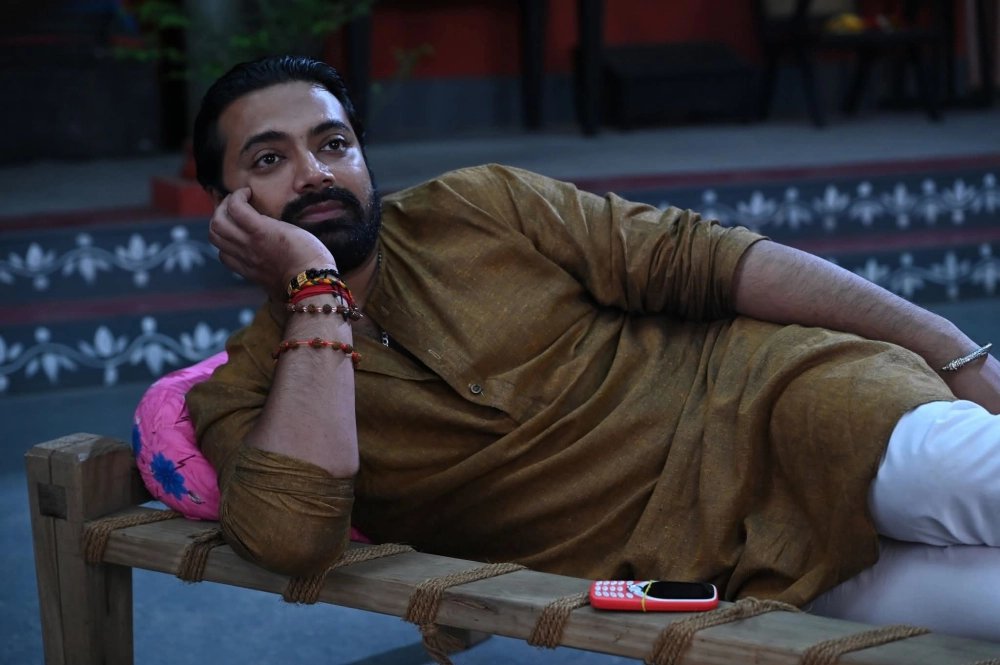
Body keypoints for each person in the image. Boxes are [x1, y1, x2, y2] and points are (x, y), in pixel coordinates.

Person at [186, 55, 1000, 641]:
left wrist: (957, 353)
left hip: (793, 410)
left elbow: (707, 258)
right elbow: (294, 537)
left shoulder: (476, 206)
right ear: (226, 205)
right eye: (271, 159)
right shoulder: (248, 388)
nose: (315, 173)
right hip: (740, 575)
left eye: (334, 144)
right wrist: (315, 288)